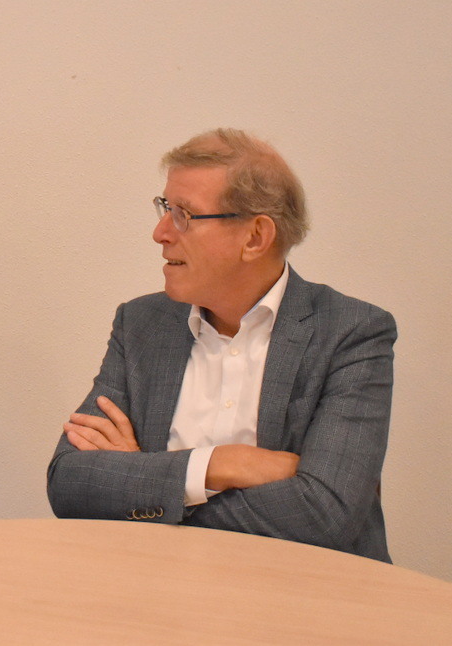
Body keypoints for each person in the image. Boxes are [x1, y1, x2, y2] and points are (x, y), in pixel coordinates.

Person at [46, 128, 394, 562]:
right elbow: (70, 483)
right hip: (159, 584)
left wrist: (148, 482)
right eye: (165, 208)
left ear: (255, 237)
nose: (160, 233)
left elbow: (325, 513)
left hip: (308, 591)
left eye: (184, 214)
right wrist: (224, 464)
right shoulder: (141, 324)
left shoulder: (350, 333)